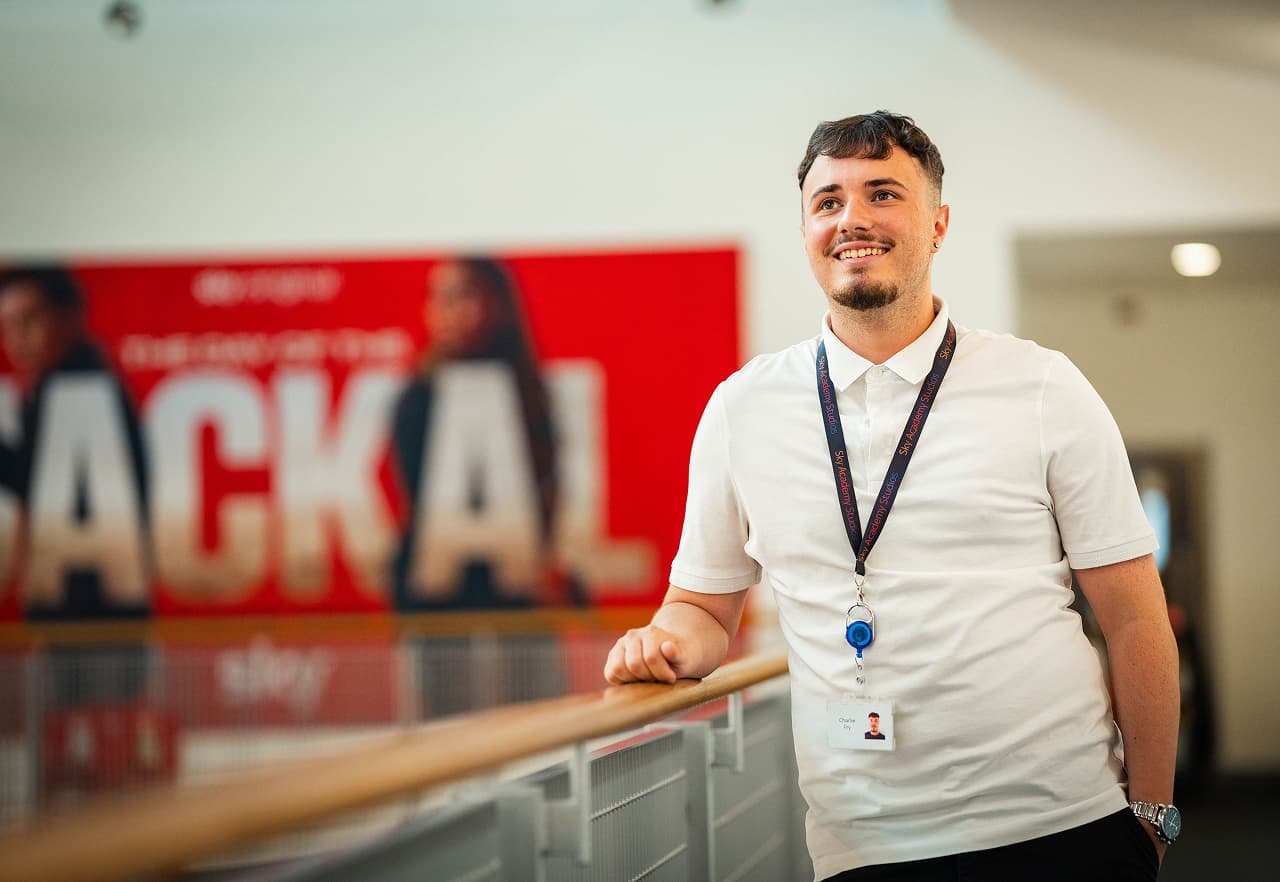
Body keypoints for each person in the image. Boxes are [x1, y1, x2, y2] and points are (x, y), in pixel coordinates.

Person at [604, 112, 1180, 881]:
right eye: (829, 201)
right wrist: (665, 643)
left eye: (883, 193)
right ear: (806, 227)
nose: (854, 220)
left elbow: (1136, 617)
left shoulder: (1042, 386)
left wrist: (1151, 812)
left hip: (1061, 824)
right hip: (862, 845)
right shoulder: (742, 408)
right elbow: (705, 610)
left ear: (938, 225)